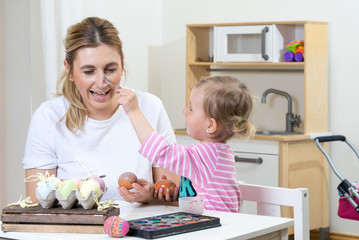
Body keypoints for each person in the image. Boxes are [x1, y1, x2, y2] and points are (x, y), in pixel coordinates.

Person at [23, 17, 180, 203]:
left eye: (110, 69)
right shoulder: (49, 117)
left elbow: (173, 196)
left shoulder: (150, 107)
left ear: (122, 63)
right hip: (75, 231)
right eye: (88, 72)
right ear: (69, 69)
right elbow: (35, 202)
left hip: (137, 229)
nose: (101, 83)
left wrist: (150, 197)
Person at [117, 75, 255, 213]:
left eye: (191, 108)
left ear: (210, 125)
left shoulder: (208, 154)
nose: (185, 111)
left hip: (214, 230)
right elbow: (201, 196)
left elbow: (161, 152)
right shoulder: (217, 153)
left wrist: (133, 111)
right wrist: (170, 193)